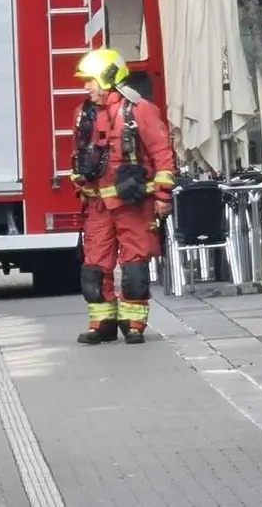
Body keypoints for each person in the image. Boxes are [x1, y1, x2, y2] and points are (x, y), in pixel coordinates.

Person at [70, 48, 176, 345]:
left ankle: (133, 324)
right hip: (98, 207)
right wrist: (80, 182)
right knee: (94, 268)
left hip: (133, 204)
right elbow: (77, 155)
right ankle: (102, 323)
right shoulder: (83, 115)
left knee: (134, 268)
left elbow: (162, 154)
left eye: (90, 80)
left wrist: (163, 196)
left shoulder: (139, 110)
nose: (86, 86)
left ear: (106, 78)